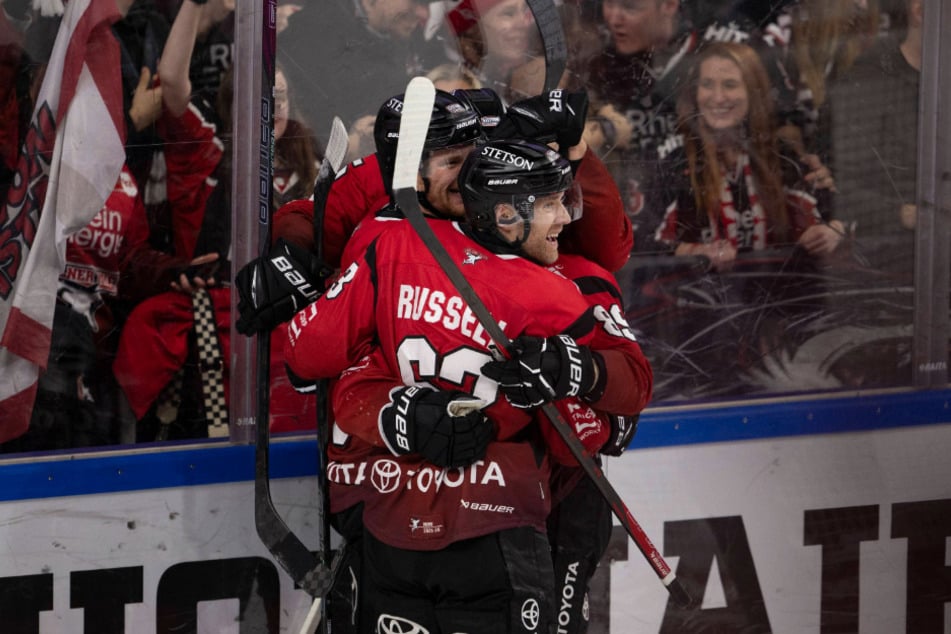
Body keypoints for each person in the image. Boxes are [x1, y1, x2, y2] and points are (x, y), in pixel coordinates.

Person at [280, 137, 652, 633]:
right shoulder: (550, 293)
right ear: (503, 214)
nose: (565, 218)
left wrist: (393, 411)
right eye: (549, 205)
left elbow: (312, 362)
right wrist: (581, 385)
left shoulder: (390, 246)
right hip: (495, 529)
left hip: (393, 523)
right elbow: (623, 396)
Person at [649, 41, 844, 270]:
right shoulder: (674, 162)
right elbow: (639, 240)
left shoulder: (781, 155)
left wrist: (832, 232)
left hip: (778, 298)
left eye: (730, 85)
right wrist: (694, 252)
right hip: (696, 300)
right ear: (695, 92)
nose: (718, 97)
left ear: (753, 92)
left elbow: (832, 214)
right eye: (707, 85)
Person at [830, 0, 921, 280]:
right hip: (891, 267)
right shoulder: (871, 79)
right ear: (921, 10)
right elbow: (840, 187)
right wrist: (902, 214)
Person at [277, 0, 434, 149]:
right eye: (415, 0)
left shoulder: (412, 39)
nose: (423, 14)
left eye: (427, 4)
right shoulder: (312, 33)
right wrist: (349, 142)